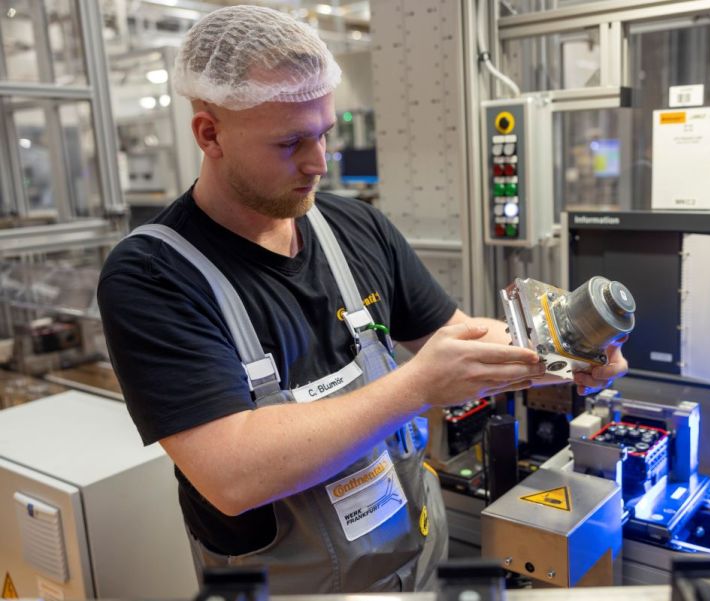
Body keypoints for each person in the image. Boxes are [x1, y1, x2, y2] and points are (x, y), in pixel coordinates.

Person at [97, 5, 628, 595]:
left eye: (324, 133)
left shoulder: (354, 228)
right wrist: (418, 386)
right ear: (209, 133)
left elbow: (457, 339)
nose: (319, 163)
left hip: (418, 558)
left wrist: (568, 350)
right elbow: (232, 474)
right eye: (290, 142)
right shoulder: (154, 275)